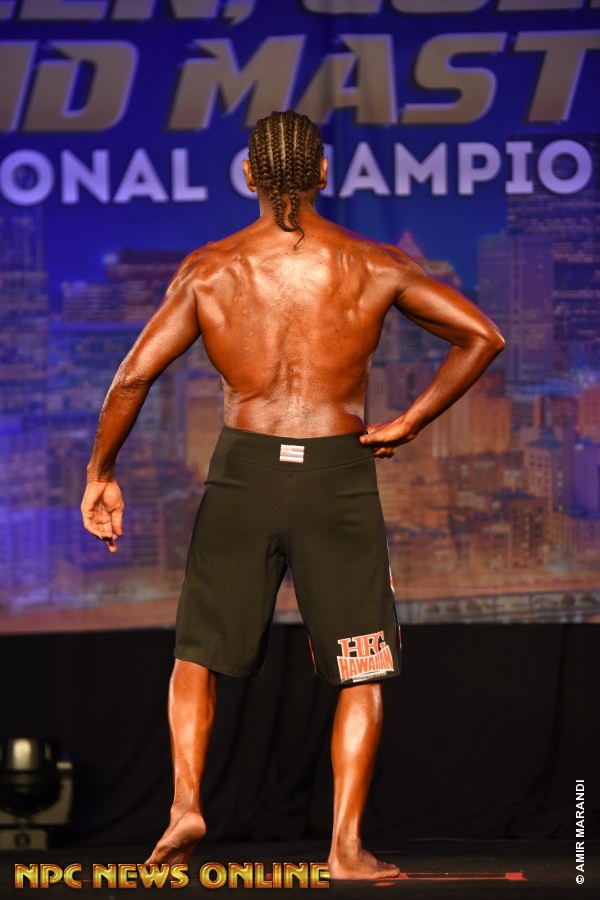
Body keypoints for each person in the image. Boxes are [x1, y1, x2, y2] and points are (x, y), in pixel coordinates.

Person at [81, 110, 505, 880]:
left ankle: (185, 804)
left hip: (244, 473)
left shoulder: (209, 269)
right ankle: (344, 848)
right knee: (361, 666)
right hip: (336, 476)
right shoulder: (374, 263)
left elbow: (134, 376)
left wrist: (100, 472)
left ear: (248, 175)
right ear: (324, 174)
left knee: (197, 654)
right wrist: (411, 420)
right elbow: (483, 336)